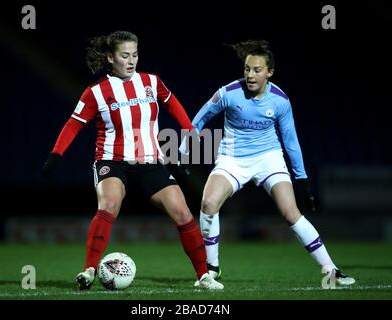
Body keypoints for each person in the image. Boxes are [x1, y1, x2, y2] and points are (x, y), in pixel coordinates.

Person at [42, 30, 223, 290]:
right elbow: (73, 124)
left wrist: (190, 134)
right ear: (110, 57)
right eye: (124, 55)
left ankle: (203, 276)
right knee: (109, 204)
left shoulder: (151, 82)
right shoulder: (96, 92)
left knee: (183, 212)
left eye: (135, 55)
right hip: (112, 160)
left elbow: (172, 104)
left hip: (149, 160)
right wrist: (55, 155)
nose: (131, 61)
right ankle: (89, 270)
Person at [181, 39, 355, 287]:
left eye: (257, 70)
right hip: (232, 158)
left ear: (269, 72)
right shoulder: (228, 93)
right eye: (247, 69)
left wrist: (302, 177)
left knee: (290, 212)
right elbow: (199, 119)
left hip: (268, 157)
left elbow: (290, 139)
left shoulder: (280, 101)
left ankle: (331, 271)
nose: (250, 75)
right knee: (208, 203)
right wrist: (183, 148)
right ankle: (212, 268)